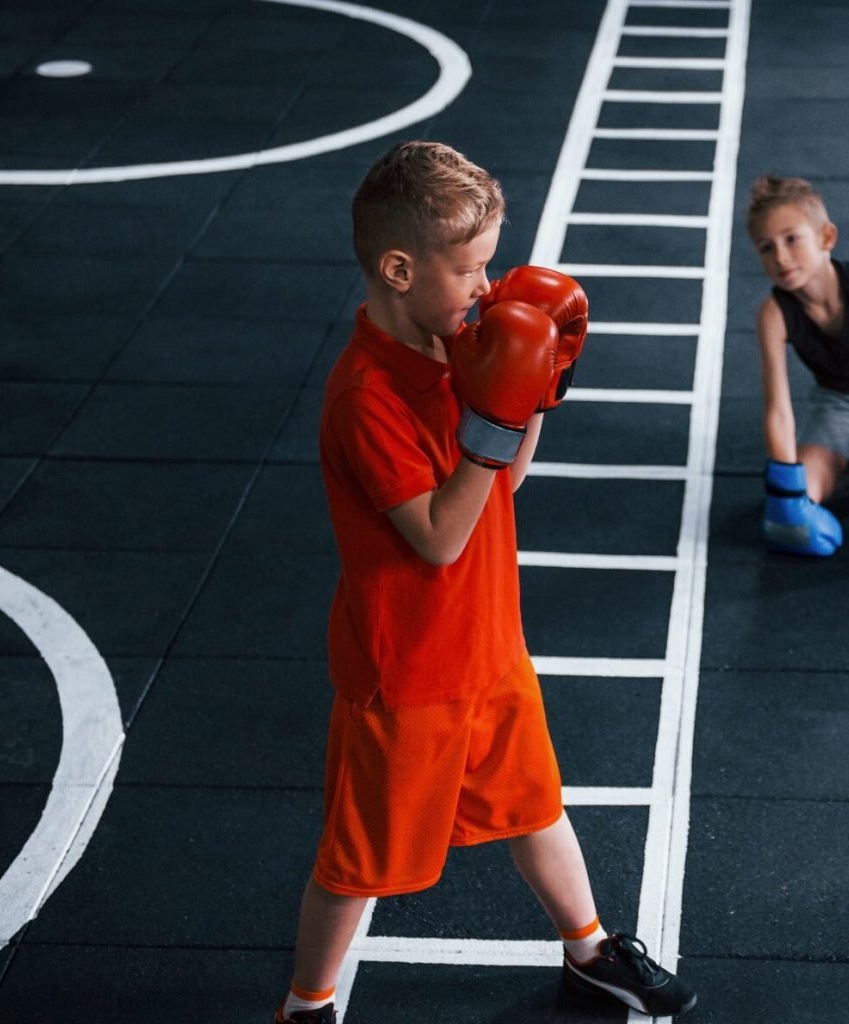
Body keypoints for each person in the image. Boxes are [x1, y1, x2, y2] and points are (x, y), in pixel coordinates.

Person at [272, 140, 697, 1023]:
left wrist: (538, 392)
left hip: (489, 646)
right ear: (398, 268)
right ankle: (307, 1005)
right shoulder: (368, 397)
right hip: (408, 674)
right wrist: (496, 418)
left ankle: (588, 952)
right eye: (469, 267)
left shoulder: (449, 352)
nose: (485, 286)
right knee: (356, 863)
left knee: (537, 805)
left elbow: (505, 483)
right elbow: (437, 536)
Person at [747, 175, 849, 554]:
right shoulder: (772, 313)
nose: (781, 257)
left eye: (792, 239)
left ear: (826, 237)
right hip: (838, 401)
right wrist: (786, 493)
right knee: (798, 503)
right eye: (766, 247)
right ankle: (840, 472)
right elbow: (778, 409)